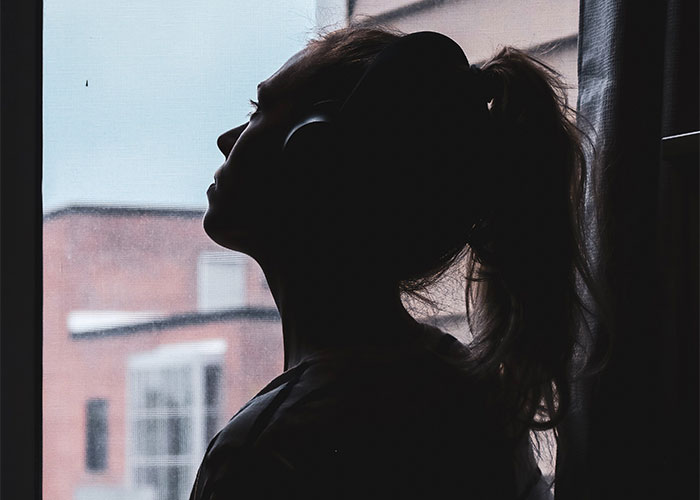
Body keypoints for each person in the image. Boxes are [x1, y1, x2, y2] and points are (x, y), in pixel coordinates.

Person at [192, 26, 592, 499]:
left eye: (258, 110)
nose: (226, 139)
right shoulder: (471, 396)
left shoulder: (265, 452)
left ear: (313, 154)